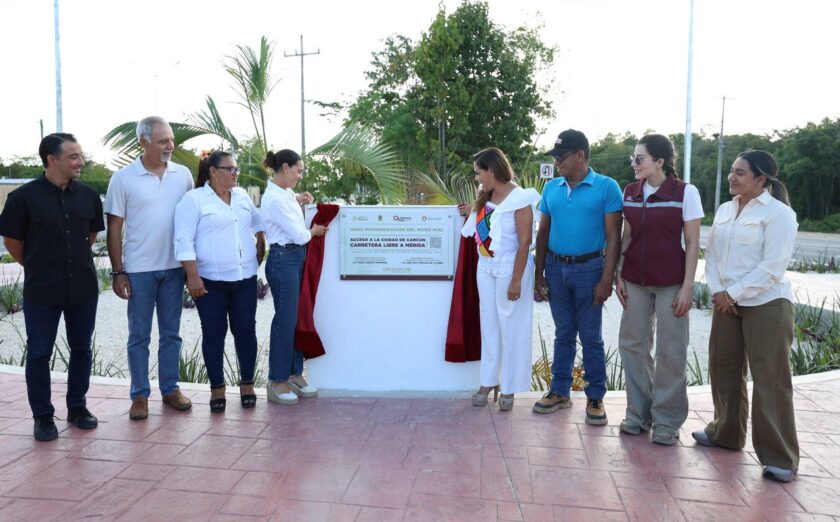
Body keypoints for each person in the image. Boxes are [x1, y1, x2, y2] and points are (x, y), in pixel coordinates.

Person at [692, 150, 800, 483]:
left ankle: (780, 458)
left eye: (740, 172)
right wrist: (718, 291)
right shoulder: (726, 209)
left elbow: (773, 267)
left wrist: (733, 293)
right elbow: (712, 255)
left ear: (761, 179)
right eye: (732, 171)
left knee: (770, 380)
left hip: (767, 303)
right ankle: (726, 434)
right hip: (727, 302)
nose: (732, 177)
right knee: (723, 367)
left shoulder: (780, 214)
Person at [0, 133, 104, 441]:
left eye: (80, 155)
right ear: (51, 159)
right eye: (73, 156)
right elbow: (12, 242)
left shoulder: (88, 195)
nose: (80, 161)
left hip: (83, 288)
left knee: (82, 348)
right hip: (42, 290)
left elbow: (90, 237)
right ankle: (43, 416)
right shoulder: (22, 198)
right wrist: (37, 265)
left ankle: (77, 407)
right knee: (39, 352)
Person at [614, 134, 703, 445]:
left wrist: (687, 286)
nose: (634, 163)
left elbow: (693, 242)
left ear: (660, 161)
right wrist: (619, 273)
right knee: (632, 345)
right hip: (634, 281)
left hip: (671, 283)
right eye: (633, 158)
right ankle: (638, 414)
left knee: (671, 350)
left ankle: (666, 421)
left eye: (639, 159)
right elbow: (627, 235)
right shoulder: (630, 191)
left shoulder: (685, 192)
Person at [104, 116, 194, 419]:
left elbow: (192, 219)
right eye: (163, 141)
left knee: (171, 334)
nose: (170, 146)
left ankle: (170, 389)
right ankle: (139, 395)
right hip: (139, 270)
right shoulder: (123, 178)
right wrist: (118, 272)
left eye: (171, 140)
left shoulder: (183, 175)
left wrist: (191, 267)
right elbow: (114, 228)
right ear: (143, 142)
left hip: (174, 268)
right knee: (139, 335)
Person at [532, 129, 622, 425]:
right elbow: (543, 233)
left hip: (590, 270)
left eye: (561, 156)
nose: (556, 162)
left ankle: (595, 396)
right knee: (563, 333)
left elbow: (614, 236)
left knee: (591, 336)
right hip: (556, 268)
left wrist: (607, 279)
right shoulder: (551, 189)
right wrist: (538, 275)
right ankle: (560, 391)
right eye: (555, 157)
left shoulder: (607, 187)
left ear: (580, 155)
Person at [174, 151, 266, 412]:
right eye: (230, 169)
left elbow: (258, 220)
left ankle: (247, 385)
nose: (236, 173)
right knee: (214, 334)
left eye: (237, 169)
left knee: (245, 332)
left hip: (244, 278)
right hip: (209, 282)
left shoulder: (242, 196)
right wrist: (192, 276)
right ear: (213, 171)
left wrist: (260, 240)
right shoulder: (194, 200)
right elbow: (183, 240)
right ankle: (217, 389)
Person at [460, 148, 539, 411]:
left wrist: (516, 280)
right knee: (489, 325)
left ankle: (509, 386)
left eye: (478, 172)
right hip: (486, 268)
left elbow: (525, 242)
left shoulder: (520, 198)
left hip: (510, 270)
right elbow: (481, 225)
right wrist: (470, 210)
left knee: (511, 327)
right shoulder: (485, 196)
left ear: (491, 172)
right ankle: (488, 381)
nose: (477, 178)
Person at [260, 149, 327, 404]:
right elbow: (299, 235)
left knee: (296, 318)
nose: (300, 176)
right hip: (284, 259)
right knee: (286, 320)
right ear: (285, 167)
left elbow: (290, 204)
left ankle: (295, 374)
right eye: (298, 171)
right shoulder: (274, 199)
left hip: (294, 258)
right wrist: (314, 231)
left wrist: (299, 198)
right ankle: (278, 380)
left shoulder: (285, 193)